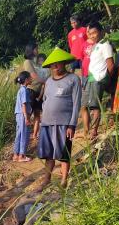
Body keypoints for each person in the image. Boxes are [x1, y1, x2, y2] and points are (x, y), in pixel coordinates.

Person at [38, 48, 81, 188]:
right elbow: (45, 100)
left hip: (64, 124)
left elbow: (76, 104)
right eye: (52, 64)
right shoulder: (49, 81)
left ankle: (64, 179)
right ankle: (47, 179)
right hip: (47, 123)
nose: (55, 67)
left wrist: (72, 125)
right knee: (48, 154)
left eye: (58, 63)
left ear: (64, 63)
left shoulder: (73, 79)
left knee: (64, 153)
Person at [80, 22, 114, 140]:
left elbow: (110, 64)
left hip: (98, 78)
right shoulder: (95, 46)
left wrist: (107, 79)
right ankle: (90, 130)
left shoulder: (105, 44)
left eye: (94, 32)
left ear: (100, 32)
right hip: (91, 78)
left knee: (95, 107)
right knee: (90, 106)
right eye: (90, 33)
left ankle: (94, 131)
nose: (92, 35)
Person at [22, 43, 44, 140]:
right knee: (28, 113)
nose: (37, 51)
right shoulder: (27, 62)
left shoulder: (34, 62)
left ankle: (34, 135)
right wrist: (46, 81)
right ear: (31, 50)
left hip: (39, 91)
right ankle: (24, 135)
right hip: (31, 90)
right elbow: (33, 75)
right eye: (36, 49)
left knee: (37, 114)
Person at [13, 71, 33, 163]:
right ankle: (22, 155)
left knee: (19, 134)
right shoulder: (24, 90)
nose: (31, 79)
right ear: (26, 80)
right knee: (24, 134)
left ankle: (16, 155)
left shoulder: (21, 90)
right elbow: (23, 105)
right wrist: (27, 118)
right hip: (22, 114)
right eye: (30, 78)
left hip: (19, 114)